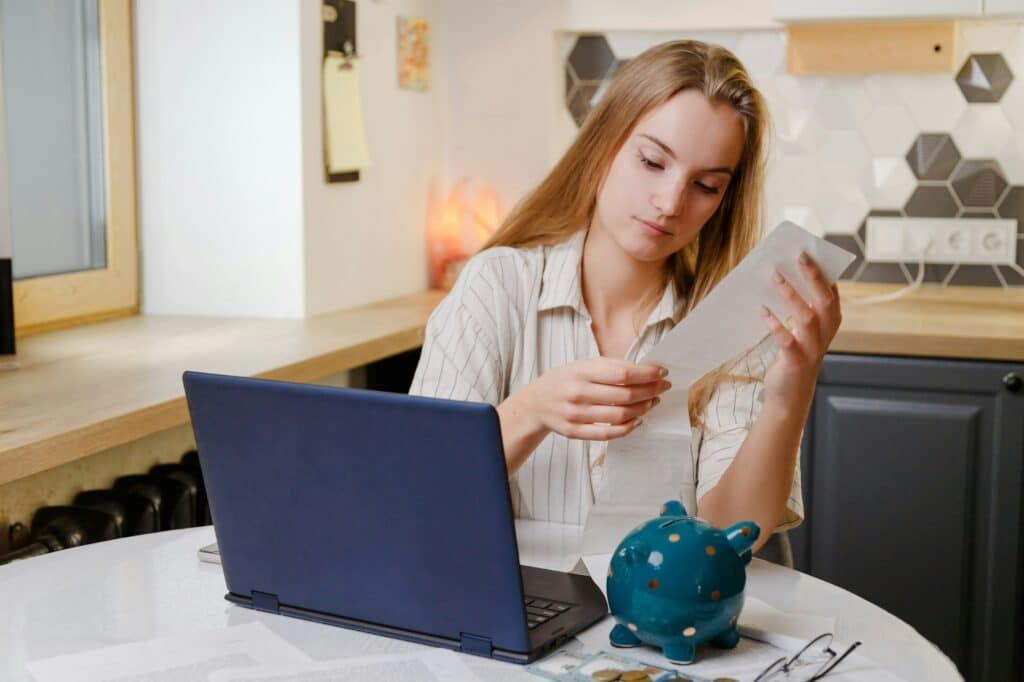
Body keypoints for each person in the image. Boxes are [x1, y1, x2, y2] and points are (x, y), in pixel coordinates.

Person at [409, 40, 841, 561]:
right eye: (652, 161)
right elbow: (418, 488)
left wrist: (787, 401)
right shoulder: (496, 287)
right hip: (520, 614)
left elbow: (732, 532)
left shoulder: (734, 325)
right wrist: (532, 409)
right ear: (604, 146)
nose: (670, 202)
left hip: (665, 625)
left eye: (705, 185)